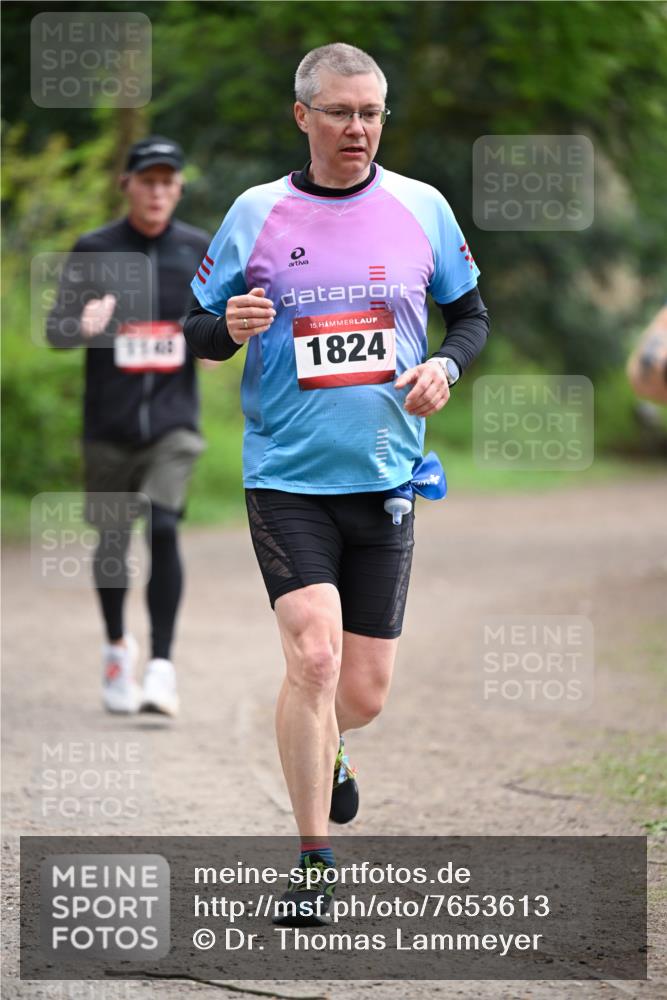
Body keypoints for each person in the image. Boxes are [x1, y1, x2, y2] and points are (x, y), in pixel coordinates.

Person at [184, 43, 489, 922]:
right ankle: (314, 862)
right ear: (303, 117)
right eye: (340, 113)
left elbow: (468, 314)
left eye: (371, 112)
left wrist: (445, 366)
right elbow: (197, 325)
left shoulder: (421, 207)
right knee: (312, 658)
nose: (357, 128)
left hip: (388, 476)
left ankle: (332, 748)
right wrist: (226, 326)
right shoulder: (256, 212)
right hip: (285, 475)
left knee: (360, 694)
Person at [47, 136, 211, 717]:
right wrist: (82, 322)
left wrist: (219, 344)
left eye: (169, 182)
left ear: (179, 188)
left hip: (174, 424)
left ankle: (161, 667)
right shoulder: (94, 249)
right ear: (128, 185)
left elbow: (216, 333)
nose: (158, 192)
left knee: (163, 526)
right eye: (148, 181)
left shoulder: (199, 249)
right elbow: (57, 331)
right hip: (108, 425)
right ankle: (118, 648)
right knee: (113, 541)